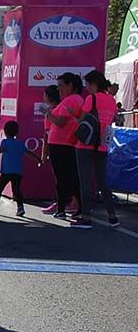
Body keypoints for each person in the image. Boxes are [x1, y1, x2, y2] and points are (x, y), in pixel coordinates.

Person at [71, 69, 119, 229]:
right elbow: (113, 118)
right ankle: (112, 216)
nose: (86, 88)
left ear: (93, 84)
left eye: (88, 85)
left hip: (85, 144)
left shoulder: (91, 99)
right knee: (102, 182)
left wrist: (74, 115)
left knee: (84, 182)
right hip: (103, 145)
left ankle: (86, 218)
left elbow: (82, 120)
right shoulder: (111, 100)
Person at [42, 74, 83, 218]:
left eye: (61, 85)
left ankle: (63, 209)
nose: (59, 89)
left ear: (70, 85)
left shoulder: (71, 100)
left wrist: (47, 113)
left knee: (65, 178)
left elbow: (60, 122)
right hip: (62, 143)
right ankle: (68, 207)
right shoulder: (71, 100)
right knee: (67, 177)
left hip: (62, 144)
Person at [0, 120, 39, 216]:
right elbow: (28, 152)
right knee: (17, 190)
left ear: (5, 131)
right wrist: (38, 158)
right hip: (18, 171)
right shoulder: (20, 143)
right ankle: (20, 207)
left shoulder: (5, 142)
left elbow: (1, 150)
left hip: (6, 171)